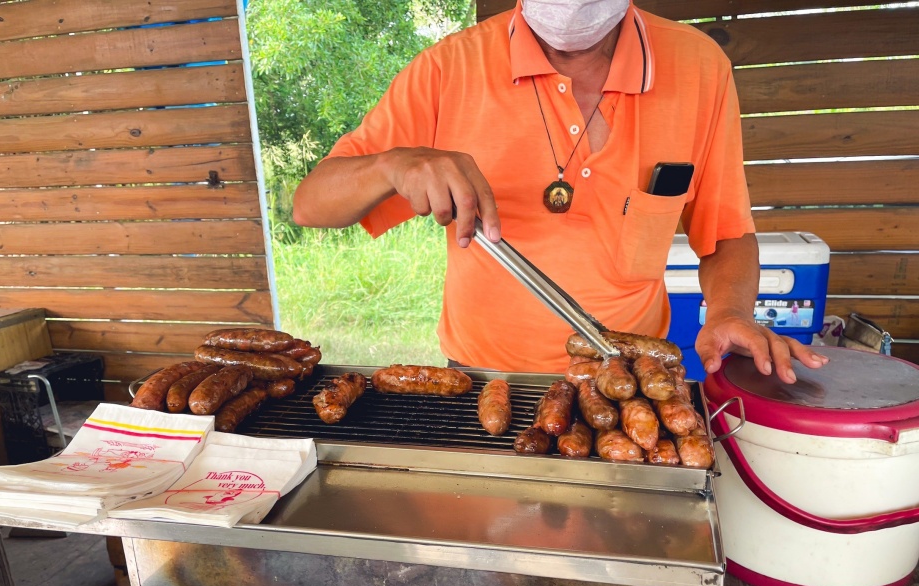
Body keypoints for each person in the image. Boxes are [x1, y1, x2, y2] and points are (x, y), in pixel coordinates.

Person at [293, 0, 828, 383]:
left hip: (627, 378)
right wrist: (394, 163)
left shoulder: (700, 67)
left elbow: (726, 232)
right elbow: (310, 203)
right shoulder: (447, 69)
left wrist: (730, 312)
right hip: (484, 378)